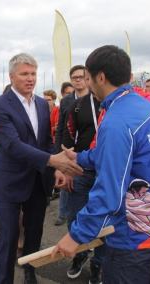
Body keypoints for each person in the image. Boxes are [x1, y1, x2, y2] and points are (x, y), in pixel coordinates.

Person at [52, 45, 150, 284]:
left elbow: (109, 191)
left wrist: (77, 235)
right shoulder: (144, 106)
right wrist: (80, 157)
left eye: (87, 77)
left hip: (132, 236)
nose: (86, 84)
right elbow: (126, 156)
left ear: (100, 77)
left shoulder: (117, 121)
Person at [0, 53, 82, 284]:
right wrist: (53, 162)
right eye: (24, 74)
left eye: (33, 74)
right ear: (12, 77)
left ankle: (30, 271)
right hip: (10, 182)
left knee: (34, 233)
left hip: (38, 181)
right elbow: (12, 145)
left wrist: (56, 169)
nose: (30, 79)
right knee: (8, 239)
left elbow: (46, 141)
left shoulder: (41, 103)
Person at [59, 89, 104, 282]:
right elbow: (67, 137)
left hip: (106, 169)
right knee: (74, 215)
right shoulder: (76, 106)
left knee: (105, 220)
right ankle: (79, 255)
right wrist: (66, 170)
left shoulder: (118, 102)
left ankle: (99, 263)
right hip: (81, 169)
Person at [54, 66, 89, 227]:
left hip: (88, 153)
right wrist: (58, 157)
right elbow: (61, 128)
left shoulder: (95, 97)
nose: (78, 80)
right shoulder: (67, 101)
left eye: (81, 76)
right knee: (67, 186)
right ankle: (63, 213)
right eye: (74, 77)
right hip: (69, 151)